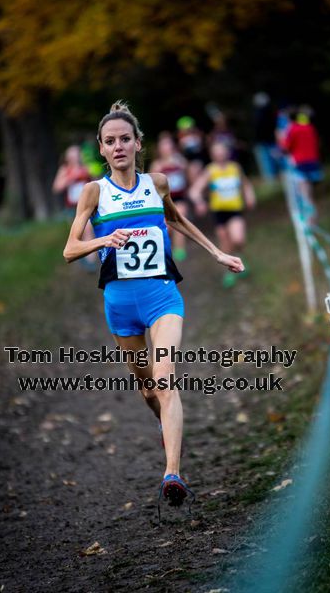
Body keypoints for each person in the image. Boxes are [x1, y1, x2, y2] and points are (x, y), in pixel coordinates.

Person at [63, 102, 244, 514]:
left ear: (137, 143)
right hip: (119, 304)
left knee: (164, 379)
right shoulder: (95, 192)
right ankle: (165, 421)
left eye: (125, 138)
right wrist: (102, 241)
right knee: (147, 388)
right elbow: (70, 248)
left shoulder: (157, 183)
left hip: (163, 296)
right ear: (102, 149)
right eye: (110, 141)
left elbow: (177, 220)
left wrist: (216, 252)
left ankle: (172, 475)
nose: (119, 146)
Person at [190, 141, 255, 288]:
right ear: (212, 154)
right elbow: (194, 191)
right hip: (219, 213)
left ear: (226, 152)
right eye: (216, 151)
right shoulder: (211, 170)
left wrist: (250, 196)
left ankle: (241, 258)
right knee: (225, 245)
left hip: (235, 210)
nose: (219, 154)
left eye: (222, 150)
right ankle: (231, 273)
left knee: (238, 239)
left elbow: (245, 184)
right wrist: (199, 202)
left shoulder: (235, 168)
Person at [53, 145, 97, 272]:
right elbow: (57, 187)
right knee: (78, 234)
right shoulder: (65, 170)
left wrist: (88, 174)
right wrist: (72, 177)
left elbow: (96, 182)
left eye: (77, 153)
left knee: (88, 229)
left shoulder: (86, 168)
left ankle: (91, 263)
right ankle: (83, 258)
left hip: (86, 205)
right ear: (67, 157)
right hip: (72, 207)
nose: (75, 156)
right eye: (72, 154)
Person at [150, 132, 189, 262]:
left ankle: (180, 248)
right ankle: (167, 249)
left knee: (180, 216)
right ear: (160, 149)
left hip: (179, 197)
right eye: (164, 145)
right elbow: (151, 183)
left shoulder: (179, 160)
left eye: (169, 145)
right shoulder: (157, 164)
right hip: (163, 200)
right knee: (168, 228)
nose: (167, 148)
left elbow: (187, 174)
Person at [280, 106, 322, 223]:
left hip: (300, 163)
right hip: (313, 162)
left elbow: (286, 147)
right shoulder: (309, 127)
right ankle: (313, 218)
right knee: (309, 192)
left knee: (304, 193)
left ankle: (311, 220)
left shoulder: (293, 129)